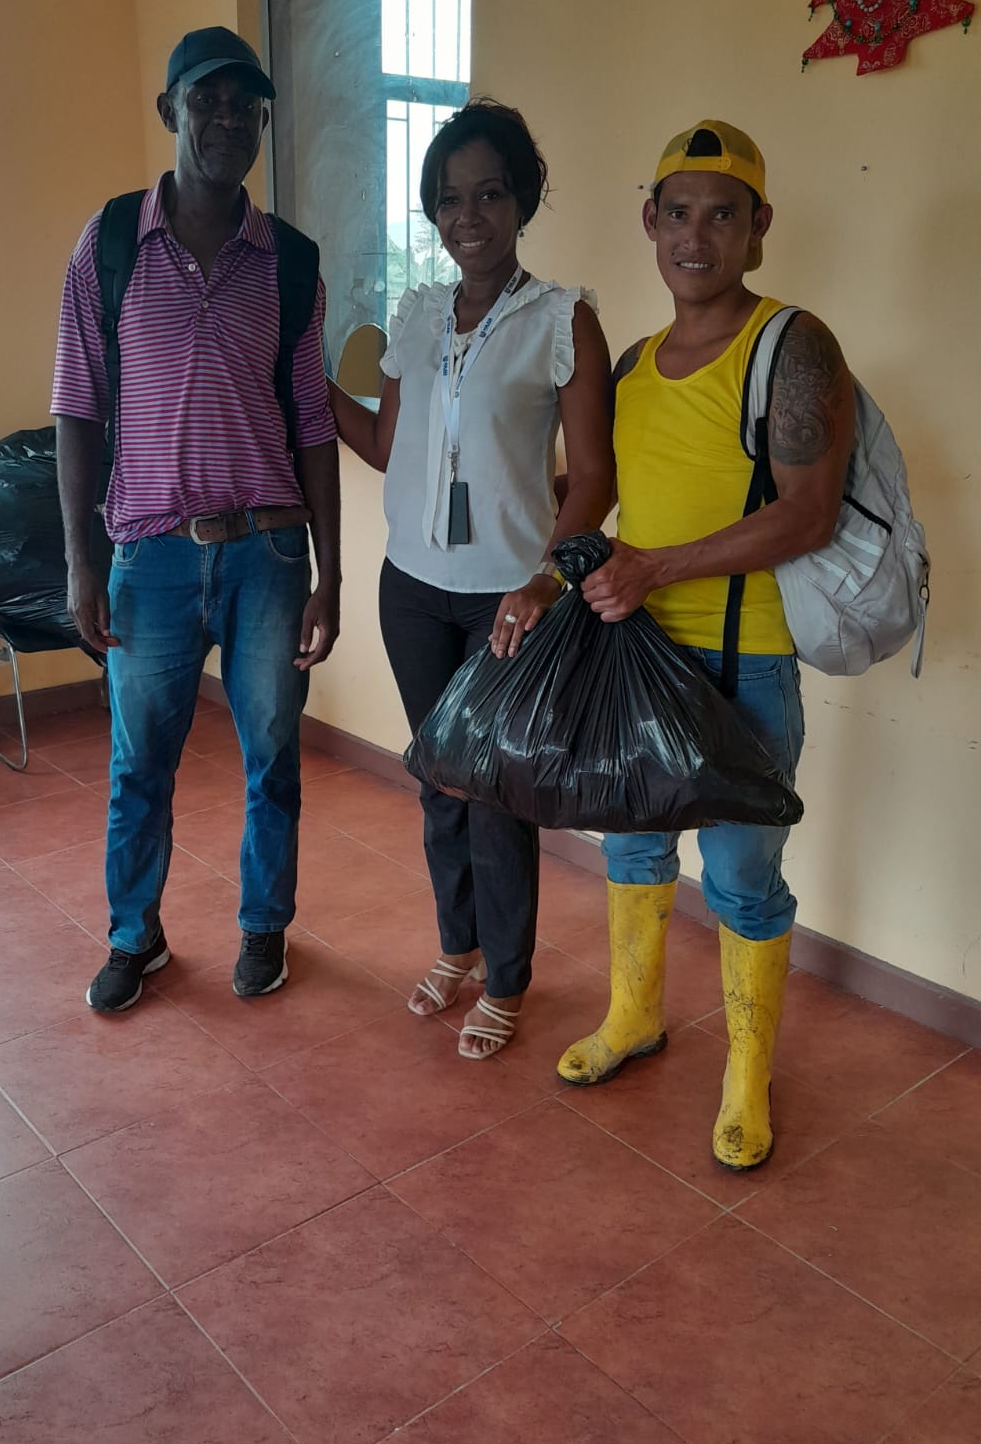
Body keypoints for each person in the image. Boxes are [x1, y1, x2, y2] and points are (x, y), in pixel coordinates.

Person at [556, 121, 853, 1169]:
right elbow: (607, 492)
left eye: (722, 214)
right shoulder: (634, 364)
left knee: (740, 878)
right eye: (678, 213)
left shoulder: (792, 344)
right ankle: (634, 1014)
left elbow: (808, 513)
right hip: (637, 658)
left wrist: (657, 566)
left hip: (746, 665)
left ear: (758, 226)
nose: (697, 235)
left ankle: (745, 1075)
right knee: (633, 848)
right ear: (650, 222)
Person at [51, 27, 341, 1012]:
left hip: (269, 554)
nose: (228, 119)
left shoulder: (290, 261)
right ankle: (135, 937)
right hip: (150, 558)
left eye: (245, 104)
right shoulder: (109, 245)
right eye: (208, 99)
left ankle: (264, 926)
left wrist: (330, 572)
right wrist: (83, 565)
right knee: (139, 766)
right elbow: (79, 411)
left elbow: (313, 424)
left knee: (273, 757)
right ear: (170, 109)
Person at [330, 100, 614, 1060]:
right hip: (410, 589)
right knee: (438, 779)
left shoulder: (562, 320)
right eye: (450, 200)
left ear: (521, 200)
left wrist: (548, 578)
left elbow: (597, 476)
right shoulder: (417, 314)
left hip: (507, 600)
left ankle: (507, 978)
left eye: (489, 194)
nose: (469, 217)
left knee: (497, 792)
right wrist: (304, 385)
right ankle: (457, 944)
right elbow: (383, 444)